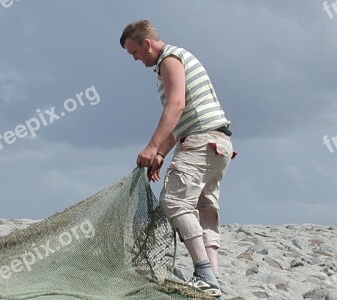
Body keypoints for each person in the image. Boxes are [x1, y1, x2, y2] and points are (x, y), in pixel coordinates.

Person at [120, 20, 235, 297]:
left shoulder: (169, 60)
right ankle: (213, 281)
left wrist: (151, 147)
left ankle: (204, 274)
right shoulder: (179, 57)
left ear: (147, 44)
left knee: (174, 202)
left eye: (134, 52)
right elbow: (184, 118)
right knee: (204, 209)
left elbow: (176, 105)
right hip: (218, 145)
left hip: (199, 143)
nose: (136, 59)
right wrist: (161, 152)